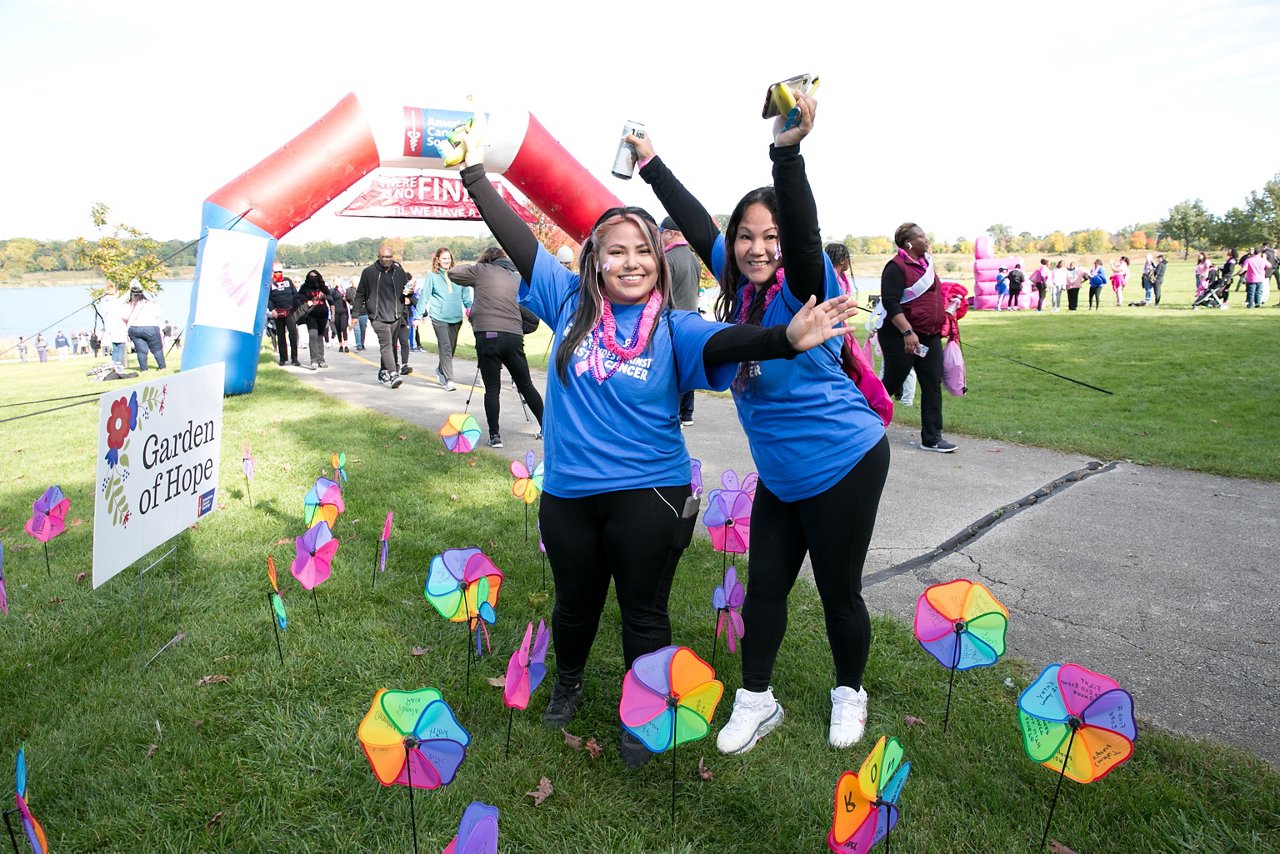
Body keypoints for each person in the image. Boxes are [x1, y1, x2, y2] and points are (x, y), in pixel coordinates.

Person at [449, 108, 861, 766]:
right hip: (572, 493)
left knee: (645, 616)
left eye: (644, 250)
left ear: (661, 266)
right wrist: (473, 176)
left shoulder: (676, 329)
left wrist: (785, 338)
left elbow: (735, 339)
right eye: (617, 250)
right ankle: (569, 680)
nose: (632, 261)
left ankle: (641, 717)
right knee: (575, 606)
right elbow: (520, 240)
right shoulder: (567, 301)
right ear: (597, 260)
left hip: (651, 494)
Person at [633, 92, 890, 754]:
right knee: (764, 589)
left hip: (845, 461)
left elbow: (802, 234)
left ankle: (849, 692)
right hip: (781, 473)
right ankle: (756, 700)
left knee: (839, 591)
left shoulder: (805, 284)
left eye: (766, 237)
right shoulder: (739, 282)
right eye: (745, 235)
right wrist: (652, 163)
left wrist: (787, 152)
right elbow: (695, 225)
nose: (756, 247)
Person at [449, 247, 545, 447]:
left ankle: (495, 436)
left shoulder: (482, 270)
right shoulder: (515, 277)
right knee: (526, 385)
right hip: (513, 335)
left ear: (486, 259)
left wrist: (474, 267)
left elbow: (453, 273)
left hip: (488, 335)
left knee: (492, 389)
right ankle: (547, 428)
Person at [662, 216, 702, 427]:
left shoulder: (668, 259)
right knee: (687, 367)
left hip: (673, 321)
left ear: (671, 233)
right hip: (692, 319)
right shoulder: (693, 258)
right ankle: (687, 413)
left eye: (661, 232)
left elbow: (662, 294)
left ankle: (674, 413)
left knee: (672, 369)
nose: (659, 237)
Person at [354, 243, 409, 389]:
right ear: (378, 257)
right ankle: (393, 374)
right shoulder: (369, 272)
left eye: (389, 257)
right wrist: (355, 314)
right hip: (377, 316)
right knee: (386, 345)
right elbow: (360, 294)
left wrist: (413, 302)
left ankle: (383, 370)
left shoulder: (399, 272)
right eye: (384, 257)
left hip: (395, 315)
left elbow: (406, 292)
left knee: (391, 345)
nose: (386, 260)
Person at [425, 247, 472, 392]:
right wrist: (417, 315)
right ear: (437, 260)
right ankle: (449, 380)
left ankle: (440, 370)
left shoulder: (458, 275)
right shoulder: (432, 276)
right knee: (445, 348)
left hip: (456, 317)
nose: (447, 261)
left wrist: (471, 310)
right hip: (439, 317)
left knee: (451, 348)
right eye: (444, 258)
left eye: (448, 258)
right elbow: (424, 296)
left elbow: (466, 296)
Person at [123, 279, 166, 371]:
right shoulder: (150, 303)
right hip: (150, 327)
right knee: (157, 349)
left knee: (141, 350)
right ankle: (162, 367)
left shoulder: (128, 304)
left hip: (134, 329)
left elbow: (124, 316)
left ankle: (144, 369)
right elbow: (158, 314)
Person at [267, 263, 300, 366]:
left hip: (289, 312)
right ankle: (283, 358)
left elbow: (295, 294)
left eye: (280, 272)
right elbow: (268, 299)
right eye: (276, 272)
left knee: (293, 334)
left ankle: (294, 358)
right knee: (281, 336)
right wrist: (272, 310)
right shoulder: (270, 283)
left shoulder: (288, 281)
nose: (278, 274)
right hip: (277, 313)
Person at [296, 270, 330, 369]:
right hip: (311, 315)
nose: (313, 278)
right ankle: (314, 360)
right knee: (313, 335)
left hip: (323, 314)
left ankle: (321, 359)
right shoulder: (305, 287)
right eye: (311, 276)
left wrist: (333, 310)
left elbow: (330, 298)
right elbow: (298, 296)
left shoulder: (323, 287)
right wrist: (307, 301)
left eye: (315, 276)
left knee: (320, 336)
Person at [392, 275, 417, 376]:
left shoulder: (407, 294)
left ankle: (404, 365)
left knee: (404, 342)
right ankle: (394, 364)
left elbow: (416, 302)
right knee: (393, 344)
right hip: (392, 320)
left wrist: (423, 314)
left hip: (404, 321)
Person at [330, 279, 351, 353]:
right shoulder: (333, 290)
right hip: (336, 311)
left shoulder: (344, 290)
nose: (338, 283)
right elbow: (330, 299)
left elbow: (349, 299)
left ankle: (346, 345)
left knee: (343, 327)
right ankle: (341, 345)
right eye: (336, 281)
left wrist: (346, 298)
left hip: (344, 311)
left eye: (339, 281)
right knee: (338, 328)